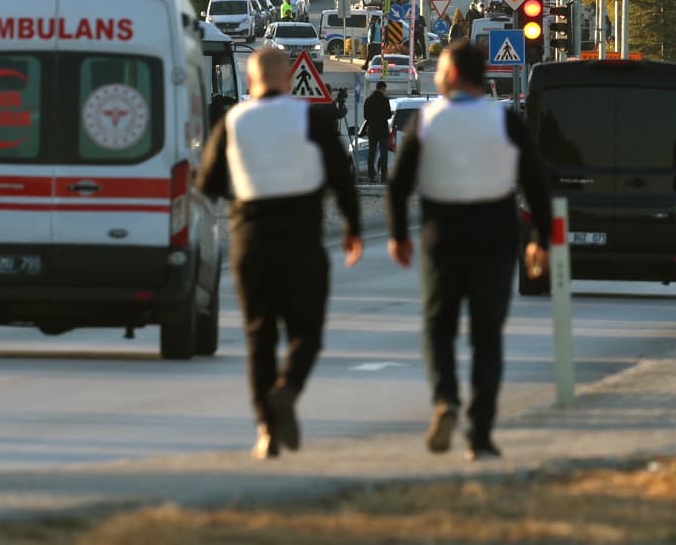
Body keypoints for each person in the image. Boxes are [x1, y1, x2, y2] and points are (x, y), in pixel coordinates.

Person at [387, 38, 551, 460]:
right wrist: (541, 240)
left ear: (454, 74)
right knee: (487, 337)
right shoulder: (505, 121)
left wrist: (398, 235)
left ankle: (446, 400)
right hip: (495, 237)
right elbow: (535, 182)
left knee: (438, 327)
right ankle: (479, 434)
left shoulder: (428, 120)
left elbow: (400, 183)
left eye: (440, 68)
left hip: (442, 237)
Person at [198, 47, 365, 460]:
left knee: (260, 335)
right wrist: (352, 228)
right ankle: (287, 390)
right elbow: (341, 177)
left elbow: (208, 185)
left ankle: (267, 432)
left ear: (251, 82)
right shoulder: (312, 119)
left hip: (251, 238)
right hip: (302, 238)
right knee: (307, 331)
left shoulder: (233, 122)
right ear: (289, 81)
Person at [362, 80, 393, 183]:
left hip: (372, 129)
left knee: (372, 152)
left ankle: (371, 175)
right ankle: (384, 176)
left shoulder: (368, 100)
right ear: (382, 88)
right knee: (384, 153)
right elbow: (388, 115)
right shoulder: (385, 100)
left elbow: (365, 116)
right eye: (385, 89)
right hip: (383, 130)